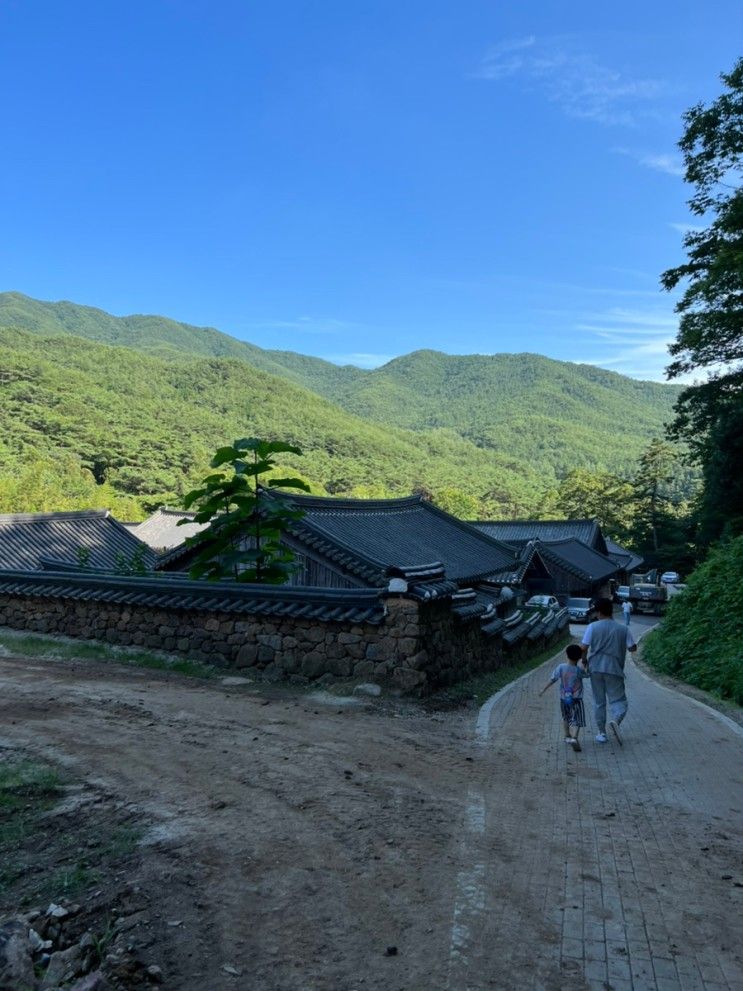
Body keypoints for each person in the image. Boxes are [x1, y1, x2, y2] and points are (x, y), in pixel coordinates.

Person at [581, 597, 637, 745]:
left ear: (599, 612)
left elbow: (584, 648)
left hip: (595, 669)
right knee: (619, 701)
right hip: (614, 669)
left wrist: (585, 661)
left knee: (599, 702)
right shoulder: (623, 629)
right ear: (611, 611)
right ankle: (616, 721)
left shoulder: (592, 627)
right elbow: (633, 648)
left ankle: (601, 733)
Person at [539, 643, 588, 751]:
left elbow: (553, 679)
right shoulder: (578, 670)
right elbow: (586, 675)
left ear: (567, 655)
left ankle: (567, 736)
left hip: (564, 699)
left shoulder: (561, 667)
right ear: (579, 657)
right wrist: (584, 664)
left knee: (566, 717)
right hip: (577, 699)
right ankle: (574, 738)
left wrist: (543, 689)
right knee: (577, 718)